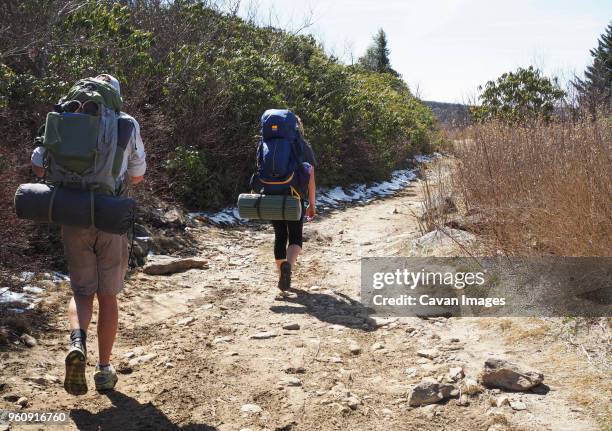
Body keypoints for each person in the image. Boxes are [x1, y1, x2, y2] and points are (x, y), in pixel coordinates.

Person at [30, 74, 146, 395]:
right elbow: (138, 175)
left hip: (72, 213)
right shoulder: (126, 124)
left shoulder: (66, 117)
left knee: (81, 291)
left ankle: (77, 343)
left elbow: (38, 165)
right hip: (110, 214)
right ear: (115, 97)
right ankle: (104, 371)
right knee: (107, 296)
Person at [272, 115, 317, 291]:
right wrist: (312, 205)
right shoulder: (303, 146)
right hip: (294, 197)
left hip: (272, 197)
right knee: (295, 237)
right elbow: (310, 177)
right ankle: (288, 266)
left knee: (280, 236)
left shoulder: (268, 144)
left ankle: (282, 273)